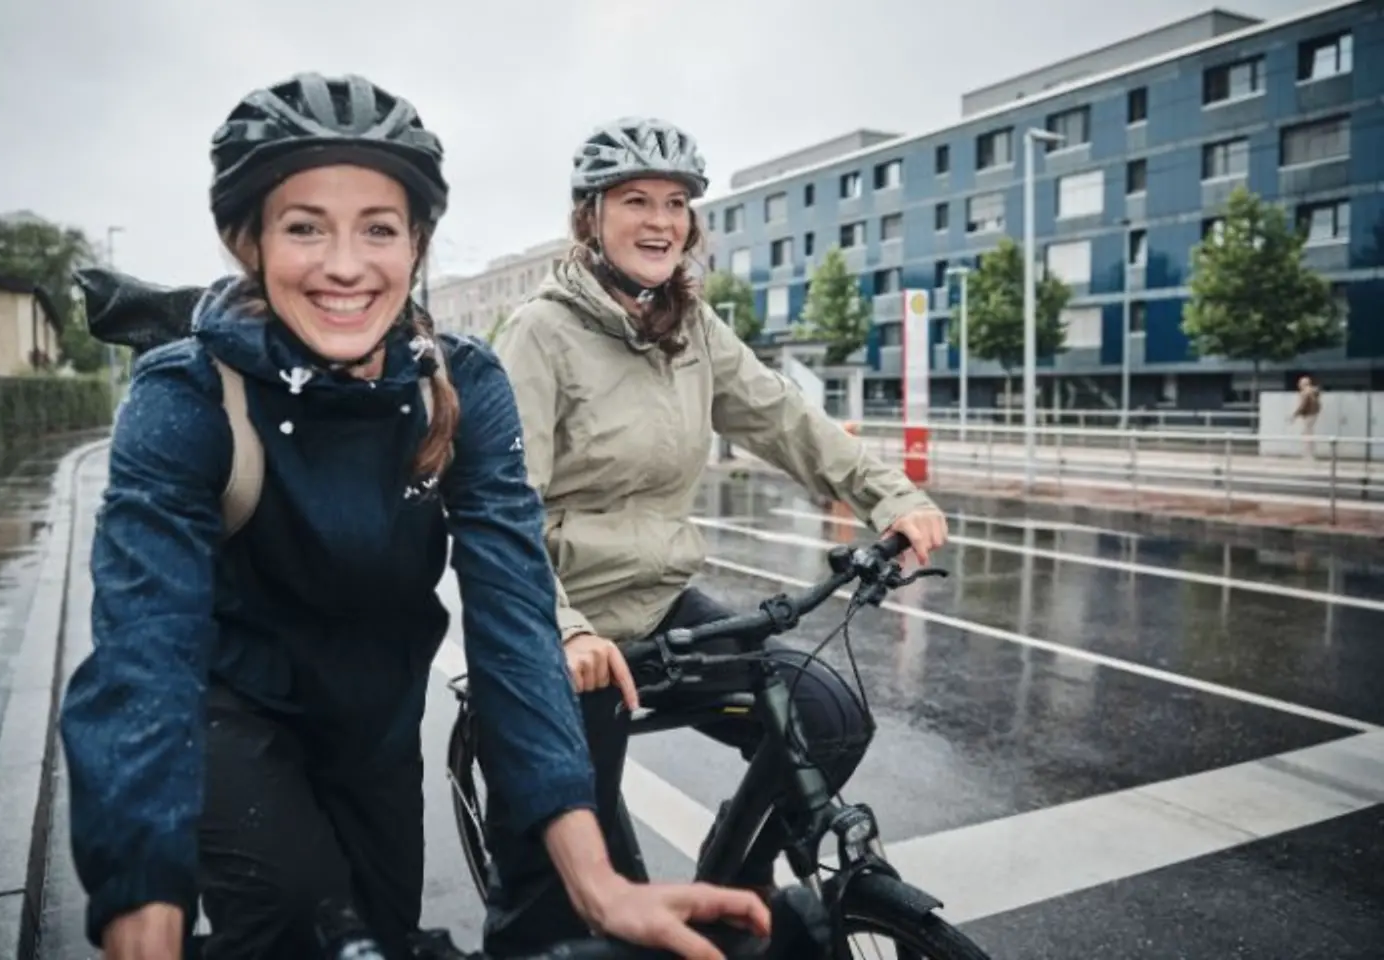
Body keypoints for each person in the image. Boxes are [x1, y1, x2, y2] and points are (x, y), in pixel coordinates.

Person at [57, 76, 767, 960]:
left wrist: (597, 885)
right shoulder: (187, 394)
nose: (346, 264)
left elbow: (514, 620)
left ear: (418, 242)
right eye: (305, 225)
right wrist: (143, 914)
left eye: (379, 229)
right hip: (229, 711)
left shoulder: (463, 386)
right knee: (289, 916)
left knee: (385, 933)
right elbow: (141, 660)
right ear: (249, 241)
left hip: (375, 725)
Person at [485, 117, 948, 948]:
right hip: (563, 627)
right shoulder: (538, 335)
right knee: (589, 902)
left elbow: (783, 417)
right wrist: (567, 629)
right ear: (589, 216)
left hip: (658, 604)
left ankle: (732, 887)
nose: (661, 220)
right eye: (635, 200)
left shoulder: (690, 326)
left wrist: (889, 495)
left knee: (827, 716)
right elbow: (503, 509)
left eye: (676, 203)